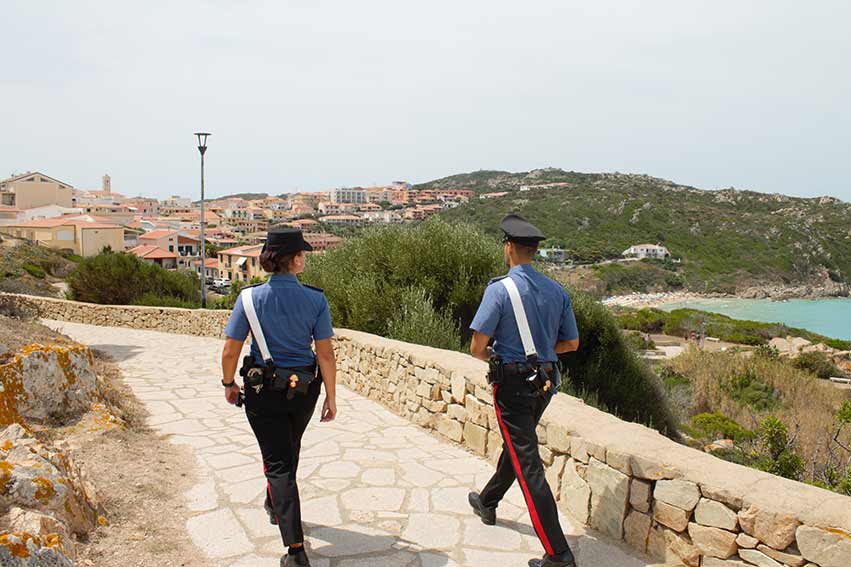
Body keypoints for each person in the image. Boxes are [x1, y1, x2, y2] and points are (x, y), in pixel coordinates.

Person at [466, 214, 580, 567]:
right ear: (534, 251)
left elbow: (476, 346)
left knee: (528, 464)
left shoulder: (499, 289)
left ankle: (558, 553)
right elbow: (571, 343)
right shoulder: (557, 291)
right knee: (519, 446)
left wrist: (499, 359)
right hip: (545, 382)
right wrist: (541, 352)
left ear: (509, 248)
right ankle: (488, 500)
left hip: (513, 384)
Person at [220, 227, 337, 567]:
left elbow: (231, 349)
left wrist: (228, 383)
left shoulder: (249, 299)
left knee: (278, 462)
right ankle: (277, 503)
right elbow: (326, 355)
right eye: (303, 254)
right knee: (289, 450)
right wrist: (331, 396)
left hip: (262, 392)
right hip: (303, 392)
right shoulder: (316, 300)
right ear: (296, 259)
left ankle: (296, 551)